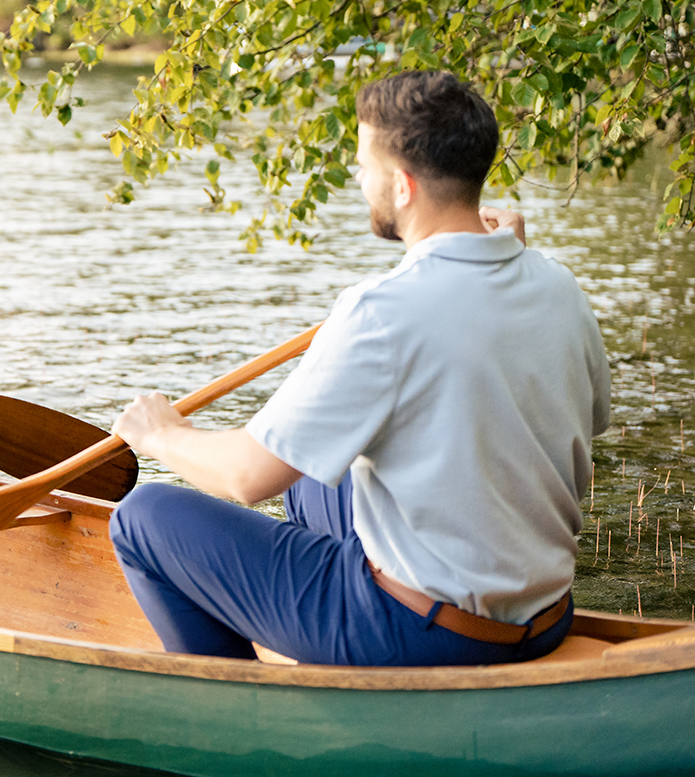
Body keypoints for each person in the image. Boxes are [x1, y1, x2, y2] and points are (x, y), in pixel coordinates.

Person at [109, 70, 610, 667]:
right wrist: (503, 256)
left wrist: (163, 433)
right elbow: (588, 417)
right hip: (546, 616)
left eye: (363, 165)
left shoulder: (380, 311)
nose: (358, 179)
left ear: (401, 186)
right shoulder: (557, 284)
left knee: (141, 518)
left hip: (424, 633)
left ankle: (236, 705)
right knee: (317, 477)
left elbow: (245, 478)